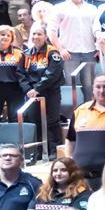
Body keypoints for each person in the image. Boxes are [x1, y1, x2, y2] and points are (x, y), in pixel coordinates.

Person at [21, 24, 66, 156]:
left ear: (46, 36)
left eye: (39, 34)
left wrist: (37, 89)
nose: (36, 37)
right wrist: (28, 89)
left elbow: (52, 74)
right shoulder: (26, 54)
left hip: (50, 92)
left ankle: (53, 151)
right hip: (32, 94)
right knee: (34, 121)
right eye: (33, 34)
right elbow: (20, 74)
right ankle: (38, 151)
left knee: (52, 121)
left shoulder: (53, 53)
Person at [25, 158, 91, 210]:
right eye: (55, 170)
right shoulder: (43, 191)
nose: (58, 174)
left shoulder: (82, 193)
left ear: (73, 172)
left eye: (63, 170)